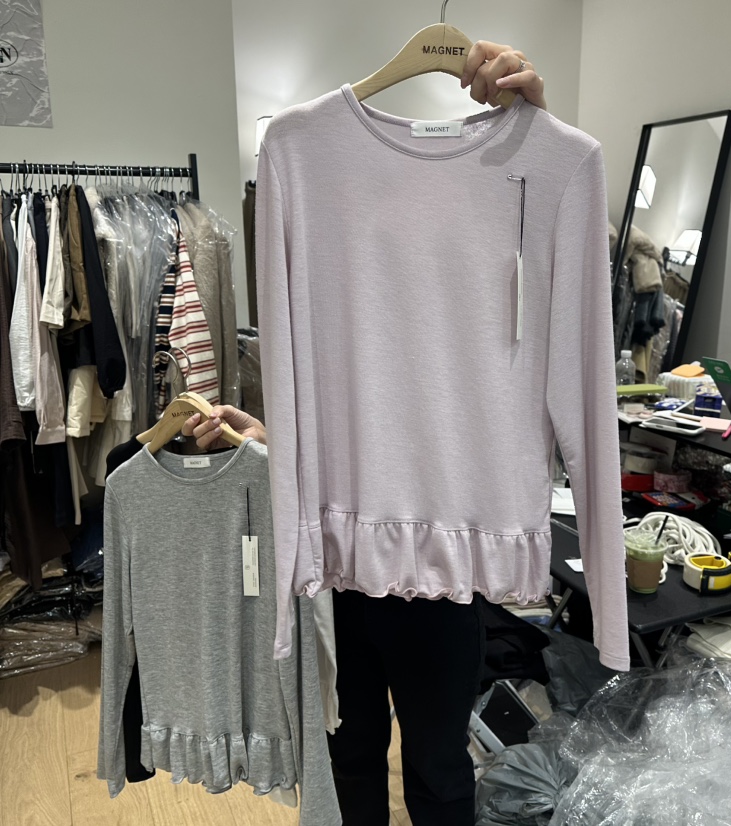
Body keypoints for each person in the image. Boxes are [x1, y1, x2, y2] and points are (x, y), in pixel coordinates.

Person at [183, 44, 546, 826]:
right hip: (336, 566)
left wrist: (532, 129)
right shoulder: (308, 177)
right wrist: (268, 441)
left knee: (439, 768)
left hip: (437, 571)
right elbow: (348, 423)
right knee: (348, 755)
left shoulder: (486, 230)